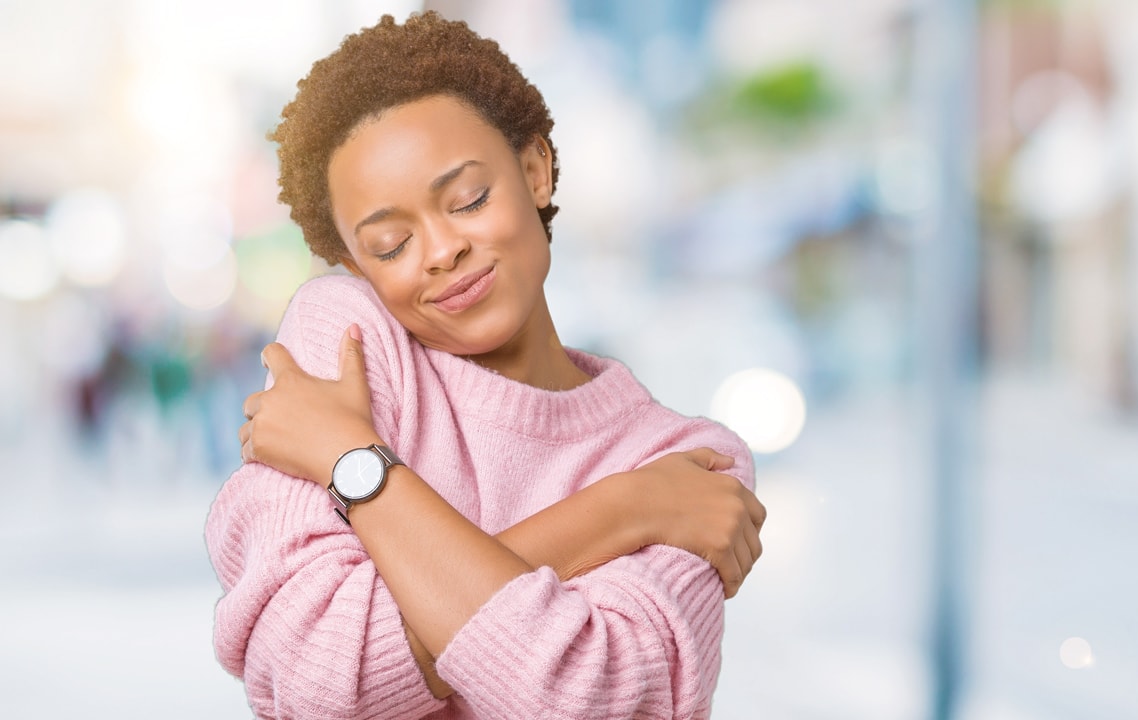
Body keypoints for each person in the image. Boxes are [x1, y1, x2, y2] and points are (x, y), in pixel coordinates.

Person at [206, 11, 766, 719]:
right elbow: (315, 681)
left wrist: (348, 457)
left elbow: (587, 698)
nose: (441, 251)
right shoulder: (349, 339)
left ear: (535, 171)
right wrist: (621, 510)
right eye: (389, 244)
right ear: (355, 264)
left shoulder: (693, 464)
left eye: (468, 199)